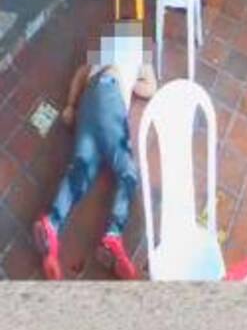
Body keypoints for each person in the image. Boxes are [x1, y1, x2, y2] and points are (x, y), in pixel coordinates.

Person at [32, 23, 158, 280]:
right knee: (127, 172)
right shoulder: (141, 50)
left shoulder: (103, 49)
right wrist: (134, 82)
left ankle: (52, 224)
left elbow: (80, 74)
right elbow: (150, 88)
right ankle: (112, 235)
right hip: (111, 96)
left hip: (88, 103)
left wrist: (70, 105)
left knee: (81, 169)